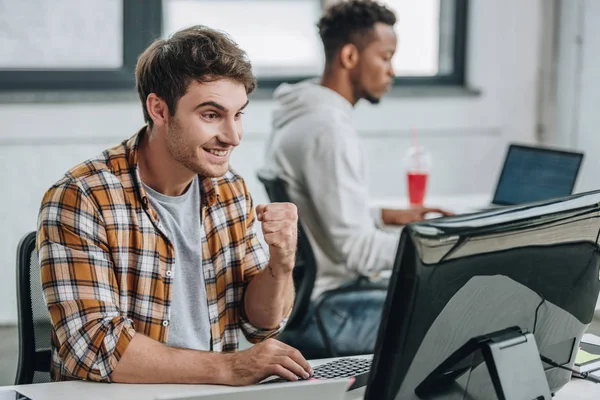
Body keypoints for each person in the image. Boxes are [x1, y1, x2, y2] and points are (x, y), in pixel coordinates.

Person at [37, 26, 313, 385]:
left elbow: (259, 323)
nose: (233, 136)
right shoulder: (82, 197)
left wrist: (282, 262)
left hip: (213, 392)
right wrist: (230, 368)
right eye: (211, 115)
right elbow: (94, 347)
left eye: (239, 114)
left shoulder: (230, 190)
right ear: (159, 109)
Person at [265, 0, 452, 298]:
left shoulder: (303, 114)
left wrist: (383, 216)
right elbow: (357, 252)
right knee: (453, 306)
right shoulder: (328, 130)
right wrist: (443, 242)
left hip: (310, 295)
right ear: (350, 56)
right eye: (385, 57)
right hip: (334, 303)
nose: (392, 71)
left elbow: (320, 214)